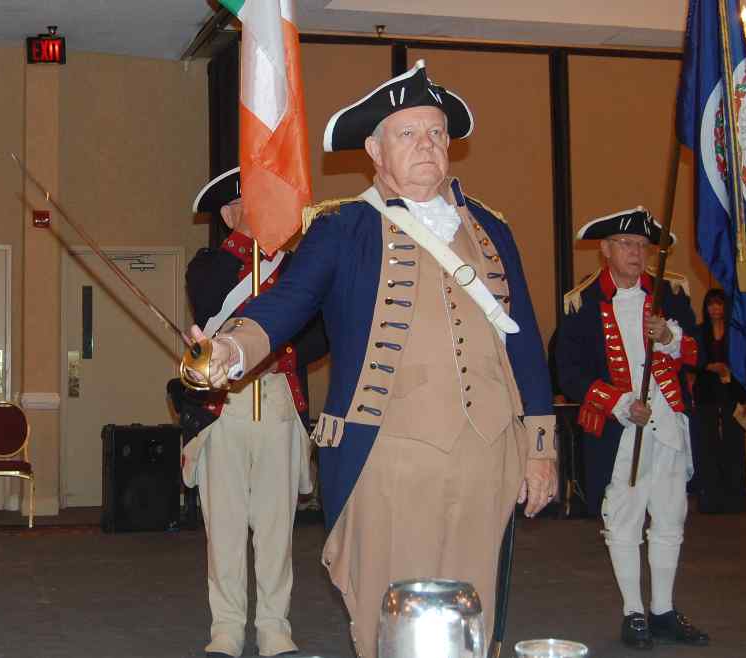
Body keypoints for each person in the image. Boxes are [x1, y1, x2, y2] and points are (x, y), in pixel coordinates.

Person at [185, 59, 557, 658]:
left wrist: (540, 447)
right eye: (408, 133)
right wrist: (232, 347)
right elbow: (287, 303)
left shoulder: (491, 228)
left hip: (488, 451)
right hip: (389, 454)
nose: (427, 145)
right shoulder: (344, 228)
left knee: (472, 612)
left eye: (436, 132)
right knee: (393, 614)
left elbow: (525, 340)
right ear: (375, 151)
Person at [173, 168, 327, 658]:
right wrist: (246, 242)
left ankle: (274, 626)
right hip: (226, 406)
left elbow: (320, 333)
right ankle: (227, 627)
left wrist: (276, 353)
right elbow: (210, 299)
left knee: (275, 525)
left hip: (278, 399)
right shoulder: (209, 264)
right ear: (229, 213)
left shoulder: (297, 267)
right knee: (225, 525)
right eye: (253, 203)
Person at [555, 208, 709, 650]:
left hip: (669, 426)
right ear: (604, 250)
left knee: (670, 517)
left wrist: (670, 339)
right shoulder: (581, 303)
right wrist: (620, 402)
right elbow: (569, 371)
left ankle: (662, 608)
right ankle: (633, 612)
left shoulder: (671, 293)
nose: (637, 253)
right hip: (621, 432)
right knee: (622, 519)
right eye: (626, 244)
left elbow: (696, 349)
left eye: (643, 246)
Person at [692, 288, 746, 514]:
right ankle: (710, 501)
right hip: (706, 393)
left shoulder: (737, 333)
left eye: (719, 304)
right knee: (707, 446)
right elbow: (689, 361)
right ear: (706, 308)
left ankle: (735, 500)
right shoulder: (699, 332)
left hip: (732, 394)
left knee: (734, 446)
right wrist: (709, 367)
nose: (715, 308)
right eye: (711, 304)